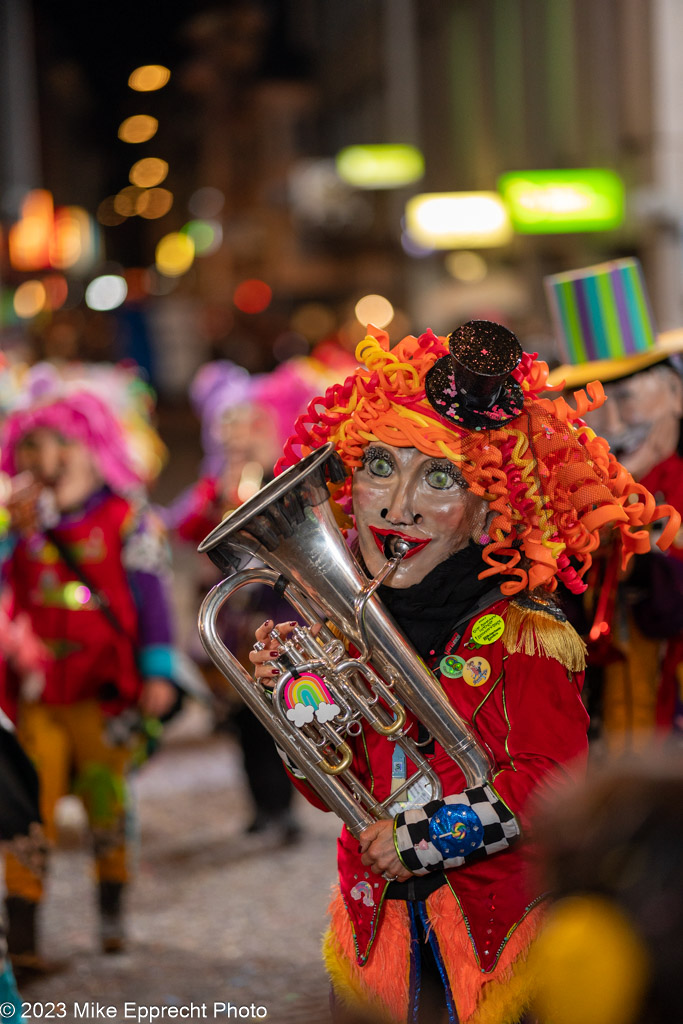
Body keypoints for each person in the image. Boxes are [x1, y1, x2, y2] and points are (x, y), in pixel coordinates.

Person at [247, 321, 679, 1024]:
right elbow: (333, 785)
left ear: (490, 505)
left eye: (439, 476)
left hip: (493, 947)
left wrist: (420, 838)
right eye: (379, 466)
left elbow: (551, 784)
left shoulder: (525, 633)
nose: (397, 504)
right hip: (374, 932)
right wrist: (291, 704)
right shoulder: (344, 628)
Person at [0, 382, 181, 969]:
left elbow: (153, 598)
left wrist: (158, 668)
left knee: (106, 802)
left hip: (104, 696)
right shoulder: (18, 524)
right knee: (29, 808)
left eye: (57, 441)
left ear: (92, 445)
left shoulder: (128, 517)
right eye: (30, 445)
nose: (42, 457)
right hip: (40, 696)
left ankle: (111, 912)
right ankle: (24, 938)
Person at [545, 259, 683, 750]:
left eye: (628, 397)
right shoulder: (568, 499)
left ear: (675, 393)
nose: (616, 423)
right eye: (595, 406)